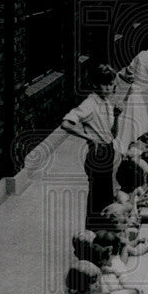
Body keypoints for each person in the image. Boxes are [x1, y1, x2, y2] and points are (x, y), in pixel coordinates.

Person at [61, 63, 119, 230]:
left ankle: (105, 232)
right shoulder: (90, 103)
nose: (108, 88)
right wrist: (88, 137)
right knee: (97, 198)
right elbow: (66, 124)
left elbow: (112, 133)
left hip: (108, 150)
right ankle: (93, 234)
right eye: (105, 84)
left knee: (106, 195)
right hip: (97, 153)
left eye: (111, 84)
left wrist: (117, 115)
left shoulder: (106, 101)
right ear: (95, 84)